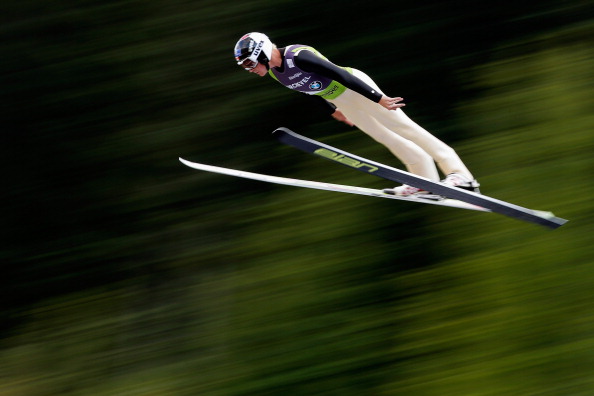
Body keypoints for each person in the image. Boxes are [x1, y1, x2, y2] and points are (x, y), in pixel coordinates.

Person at [233, 32, 480, 196]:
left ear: (262, 52)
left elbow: (341, 74)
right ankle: (424, 182)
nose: (250, 70)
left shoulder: (298, 56)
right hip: (340, 98)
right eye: (246, 67)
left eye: (249, 63)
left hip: (356, 87)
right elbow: (308, 89)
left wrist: (378, 98)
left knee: (404, 128)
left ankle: (461, 175)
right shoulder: (276, 73)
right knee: (385, 137)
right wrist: (334, 110)